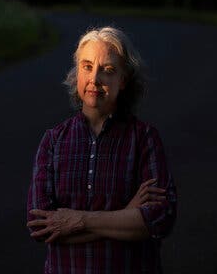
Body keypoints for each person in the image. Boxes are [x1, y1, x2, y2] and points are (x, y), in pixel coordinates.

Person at [26, 26, 177, 273]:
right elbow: (40, 226)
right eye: (87, 67)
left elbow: (160, 219)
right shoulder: (53, 141)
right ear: (77, 73)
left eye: (107, 71)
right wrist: (126, 215)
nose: (94, 79)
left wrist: (78, 221)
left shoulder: (144, 139)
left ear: (124, 80)